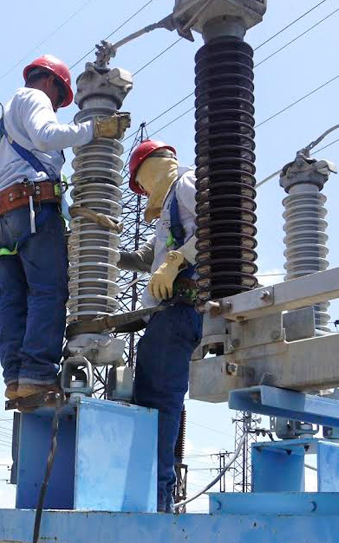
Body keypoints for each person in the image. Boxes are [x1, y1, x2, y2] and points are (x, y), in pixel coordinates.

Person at [0, 54, 131, 404]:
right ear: (51, 83)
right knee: (48, 291)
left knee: (13, 301)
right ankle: (37, 373)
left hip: (2, 218)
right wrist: (94, 129)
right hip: (32, 211)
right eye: (59, 98)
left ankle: (17, 378)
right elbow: (48, 135)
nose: (55, 106)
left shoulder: (4, 122)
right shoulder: (33, 97)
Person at [120, 140, 202, 513]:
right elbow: (149, 259)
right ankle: (157, 497)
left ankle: (156, 502)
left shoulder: (186, 183)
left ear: (148, 168)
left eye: (140, 184)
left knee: (155, 404)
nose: (143, 193)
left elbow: (219, 226)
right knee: (158, 401)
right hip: (176, 310)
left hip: (182, 307)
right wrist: (109, 253)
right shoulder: (171, 206)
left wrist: (177, 260)